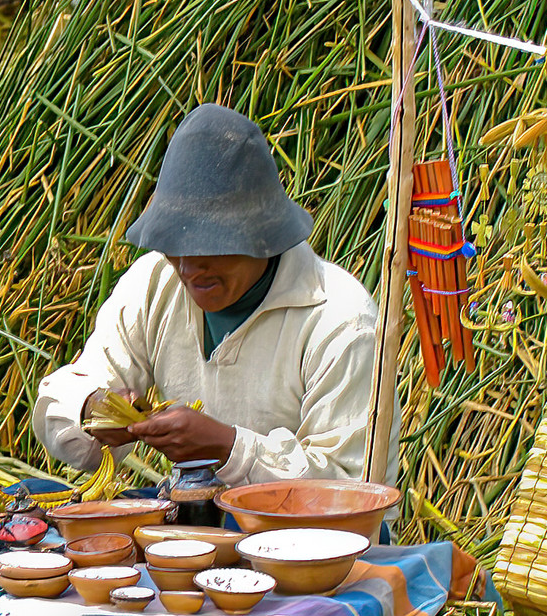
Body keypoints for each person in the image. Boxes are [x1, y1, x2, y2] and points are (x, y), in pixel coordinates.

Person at [33, 103, 392, 488]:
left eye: (209, 248)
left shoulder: (341, 321)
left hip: (310, 538)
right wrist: (95, 409)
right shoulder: (155, 282)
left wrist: (228, 448)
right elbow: (68, 418)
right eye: (175, 246)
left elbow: (350, 487)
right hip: (198, 519)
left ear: (262, 239)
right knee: (35, 494)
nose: (188, 268)